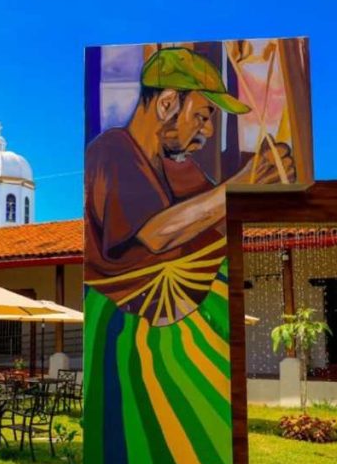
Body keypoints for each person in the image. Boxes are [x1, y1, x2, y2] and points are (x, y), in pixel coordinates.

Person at [85, 47, 294, 323]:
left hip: (191, 320)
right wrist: (242, 183)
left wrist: (265, 186)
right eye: (202, 116)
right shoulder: (112, 149)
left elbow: (216, 221)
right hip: (123, 326)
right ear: (167, 103)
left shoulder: (179, 167)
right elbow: (158, 235)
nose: (207, 130)